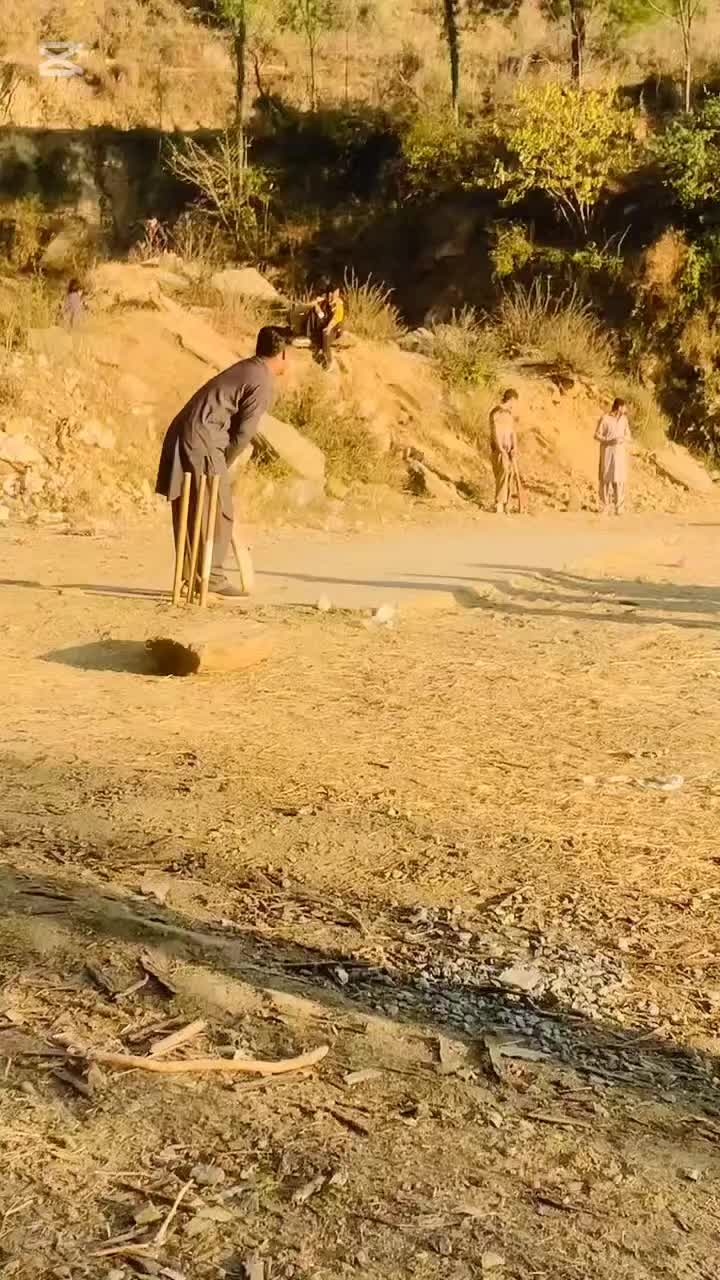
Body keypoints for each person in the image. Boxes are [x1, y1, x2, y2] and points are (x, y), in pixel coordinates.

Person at [155, 325, 289, 598]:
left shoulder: (248, 368)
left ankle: (192, 576)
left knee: (193, 504)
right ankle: (211, 577)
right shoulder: (262, 379)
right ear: (283, 354)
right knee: (217, 508)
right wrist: (223, 463)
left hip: (187, 430)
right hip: (202, 436)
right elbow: (244, 434)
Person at [595, 397, 631, 515]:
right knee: (605, 480)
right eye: (624, 407)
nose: (625, 409)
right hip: (607, 453)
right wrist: (608, 440)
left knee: (619, 481)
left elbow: (628, 435)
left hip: (619, 454)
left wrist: (622, 439)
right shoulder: (605, 418)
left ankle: (619, 508)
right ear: (619, 407)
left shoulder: (624, 420)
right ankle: (604, 507)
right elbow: (596, 435)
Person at [489, 388, 519, 514]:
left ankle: (507, 503)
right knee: (503, 473)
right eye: (514, 402)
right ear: (511, 399)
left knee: (509, 475)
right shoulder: (497, 412)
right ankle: (499, 503)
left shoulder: (509, 414)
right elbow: (495, 431)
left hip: (508, 450)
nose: (515, 404)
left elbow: (512, 432)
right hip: (499, 450)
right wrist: (500, 448)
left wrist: (515, 447)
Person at [307, 281, 344, 369]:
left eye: (335, 292)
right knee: (314, 312)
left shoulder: (338, 304)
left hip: (335, 327)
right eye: (331, 292)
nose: (333, 295)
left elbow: (336, 319)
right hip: (326, 324)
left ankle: (328, 361)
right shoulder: (325, 301)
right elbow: (321, 314)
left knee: (325, 334)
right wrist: (316, 305)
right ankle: (316, 341)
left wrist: (328, 328)